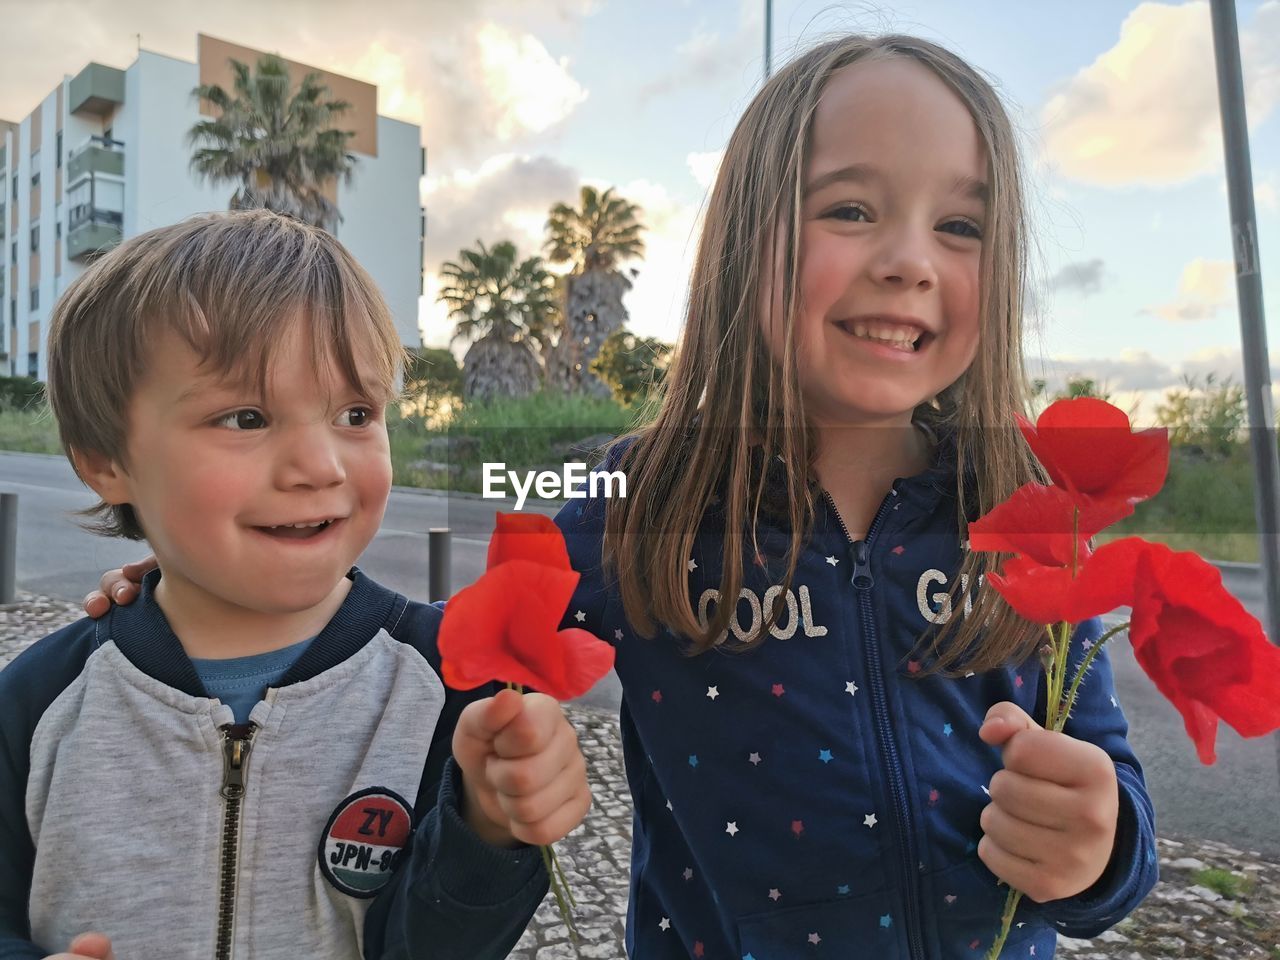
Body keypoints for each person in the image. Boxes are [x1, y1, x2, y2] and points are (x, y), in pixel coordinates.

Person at [86, 34, 1160, 960]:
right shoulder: (631, 500)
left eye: (959, 227)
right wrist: (199, 591)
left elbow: (1110, 797)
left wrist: (1099, 845)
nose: (907, 261)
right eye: (849, 207)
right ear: (746, 243)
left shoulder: (1028, 522)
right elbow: (452, 639)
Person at [9, 210, 590, 960]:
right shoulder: (39, 703)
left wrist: (491, 829)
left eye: (357, 413)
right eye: (247, 417)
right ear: (104, 461)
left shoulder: (450, 690)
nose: (321, 467)